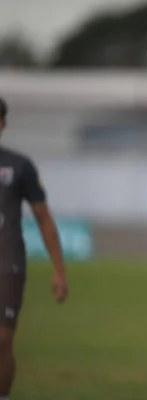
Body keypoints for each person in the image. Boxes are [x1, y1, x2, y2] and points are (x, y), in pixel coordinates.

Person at [0, 96, 68, 400]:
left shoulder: (19, 166)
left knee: (2, 338)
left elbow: (43, 218)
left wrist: (59, 271)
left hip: (7, 261)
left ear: (2, 124)